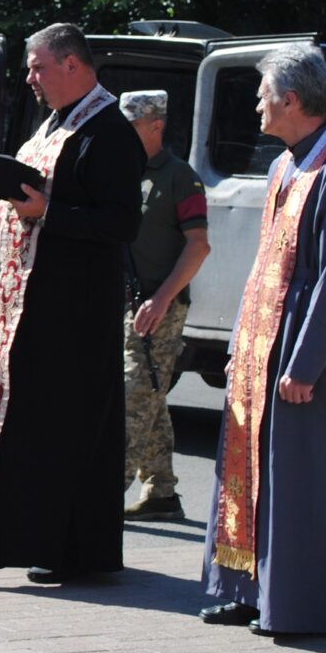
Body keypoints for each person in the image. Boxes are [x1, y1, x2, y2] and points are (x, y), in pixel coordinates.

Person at [0, 23, 143, 585]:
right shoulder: (56, 119)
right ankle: (26, 541)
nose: (31, 78)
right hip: (30, 312)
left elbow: (121, 222)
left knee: (65, 436)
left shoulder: (110, 131)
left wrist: (47, 210)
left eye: (39, 67)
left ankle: (73, 552)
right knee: (27, 432)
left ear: (73, 64)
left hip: (73, 317)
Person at [199, 43, 326, 636]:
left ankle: (301, 603)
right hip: (263, 342)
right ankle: (244, 589)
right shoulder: (284, 164)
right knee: (248, 470)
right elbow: (264, 267)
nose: (255, 105)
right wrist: (239, 346)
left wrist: (305, 363)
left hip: (312, 351)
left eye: (261, 96)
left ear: (291, 100)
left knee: (301, 476)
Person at [119, 90, 210, 522]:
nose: (124, 131)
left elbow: (198, 247)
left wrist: (161, 299)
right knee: (150, 396)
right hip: (122, 304)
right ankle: (161, 493)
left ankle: (100, 492)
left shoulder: (179, 177)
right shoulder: (121, 171)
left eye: (132, 124)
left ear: (156, 125)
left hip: (159, 307)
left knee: (132, 397)